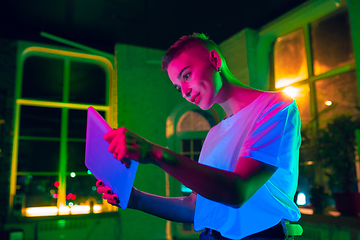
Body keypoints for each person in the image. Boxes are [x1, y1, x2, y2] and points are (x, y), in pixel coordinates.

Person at [96, 33, 301, 240]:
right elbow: (196, 207)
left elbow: (236, 191)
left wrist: (155, 153)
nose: (184, 92)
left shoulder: (276, 108)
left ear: (215, 60)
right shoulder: (214, 135)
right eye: (178, 88)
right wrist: (135, 199)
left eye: (186, 76)